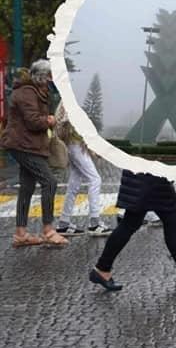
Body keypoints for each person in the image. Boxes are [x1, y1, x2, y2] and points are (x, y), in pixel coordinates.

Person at [89, 170, 176, 292]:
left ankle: (102, 268)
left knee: (132, 223)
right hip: (151, 179)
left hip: (142, 178)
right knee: (167, 221)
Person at [0, 60, 68, 247]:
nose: (51, 81)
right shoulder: (27, 93)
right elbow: (33, 121)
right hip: (23, 145)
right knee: (50, 182)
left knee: (27, 187)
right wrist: (50, 120)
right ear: (41, 77)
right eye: (49, 77)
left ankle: (21, 234)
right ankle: (48, 230)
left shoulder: (34, 91)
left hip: (28, 144)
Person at [55, 103, 112, 236]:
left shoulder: (65, 102)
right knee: (95, 180)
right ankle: (94, 223)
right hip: (76, 146)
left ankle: (64, 223)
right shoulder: (67, 102)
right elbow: (75, 128)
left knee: (74, 185)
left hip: (72, 145)